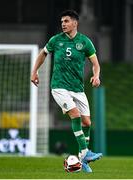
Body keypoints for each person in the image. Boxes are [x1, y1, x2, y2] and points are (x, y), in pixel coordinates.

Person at [31, 9, 102, 173]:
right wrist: (34, 72)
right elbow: (43, 54)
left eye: (67, 21)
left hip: (78, 88)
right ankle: (85, 153)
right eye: (62, 21)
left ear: (75, 23)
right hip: (59, 87)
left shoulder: (85, 42)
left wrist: (96, 76)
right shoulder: (56, 40)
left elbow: (95, 64)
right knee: (76, 115)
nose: (63, 24)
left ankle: (82, 160)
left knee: (87, 123)